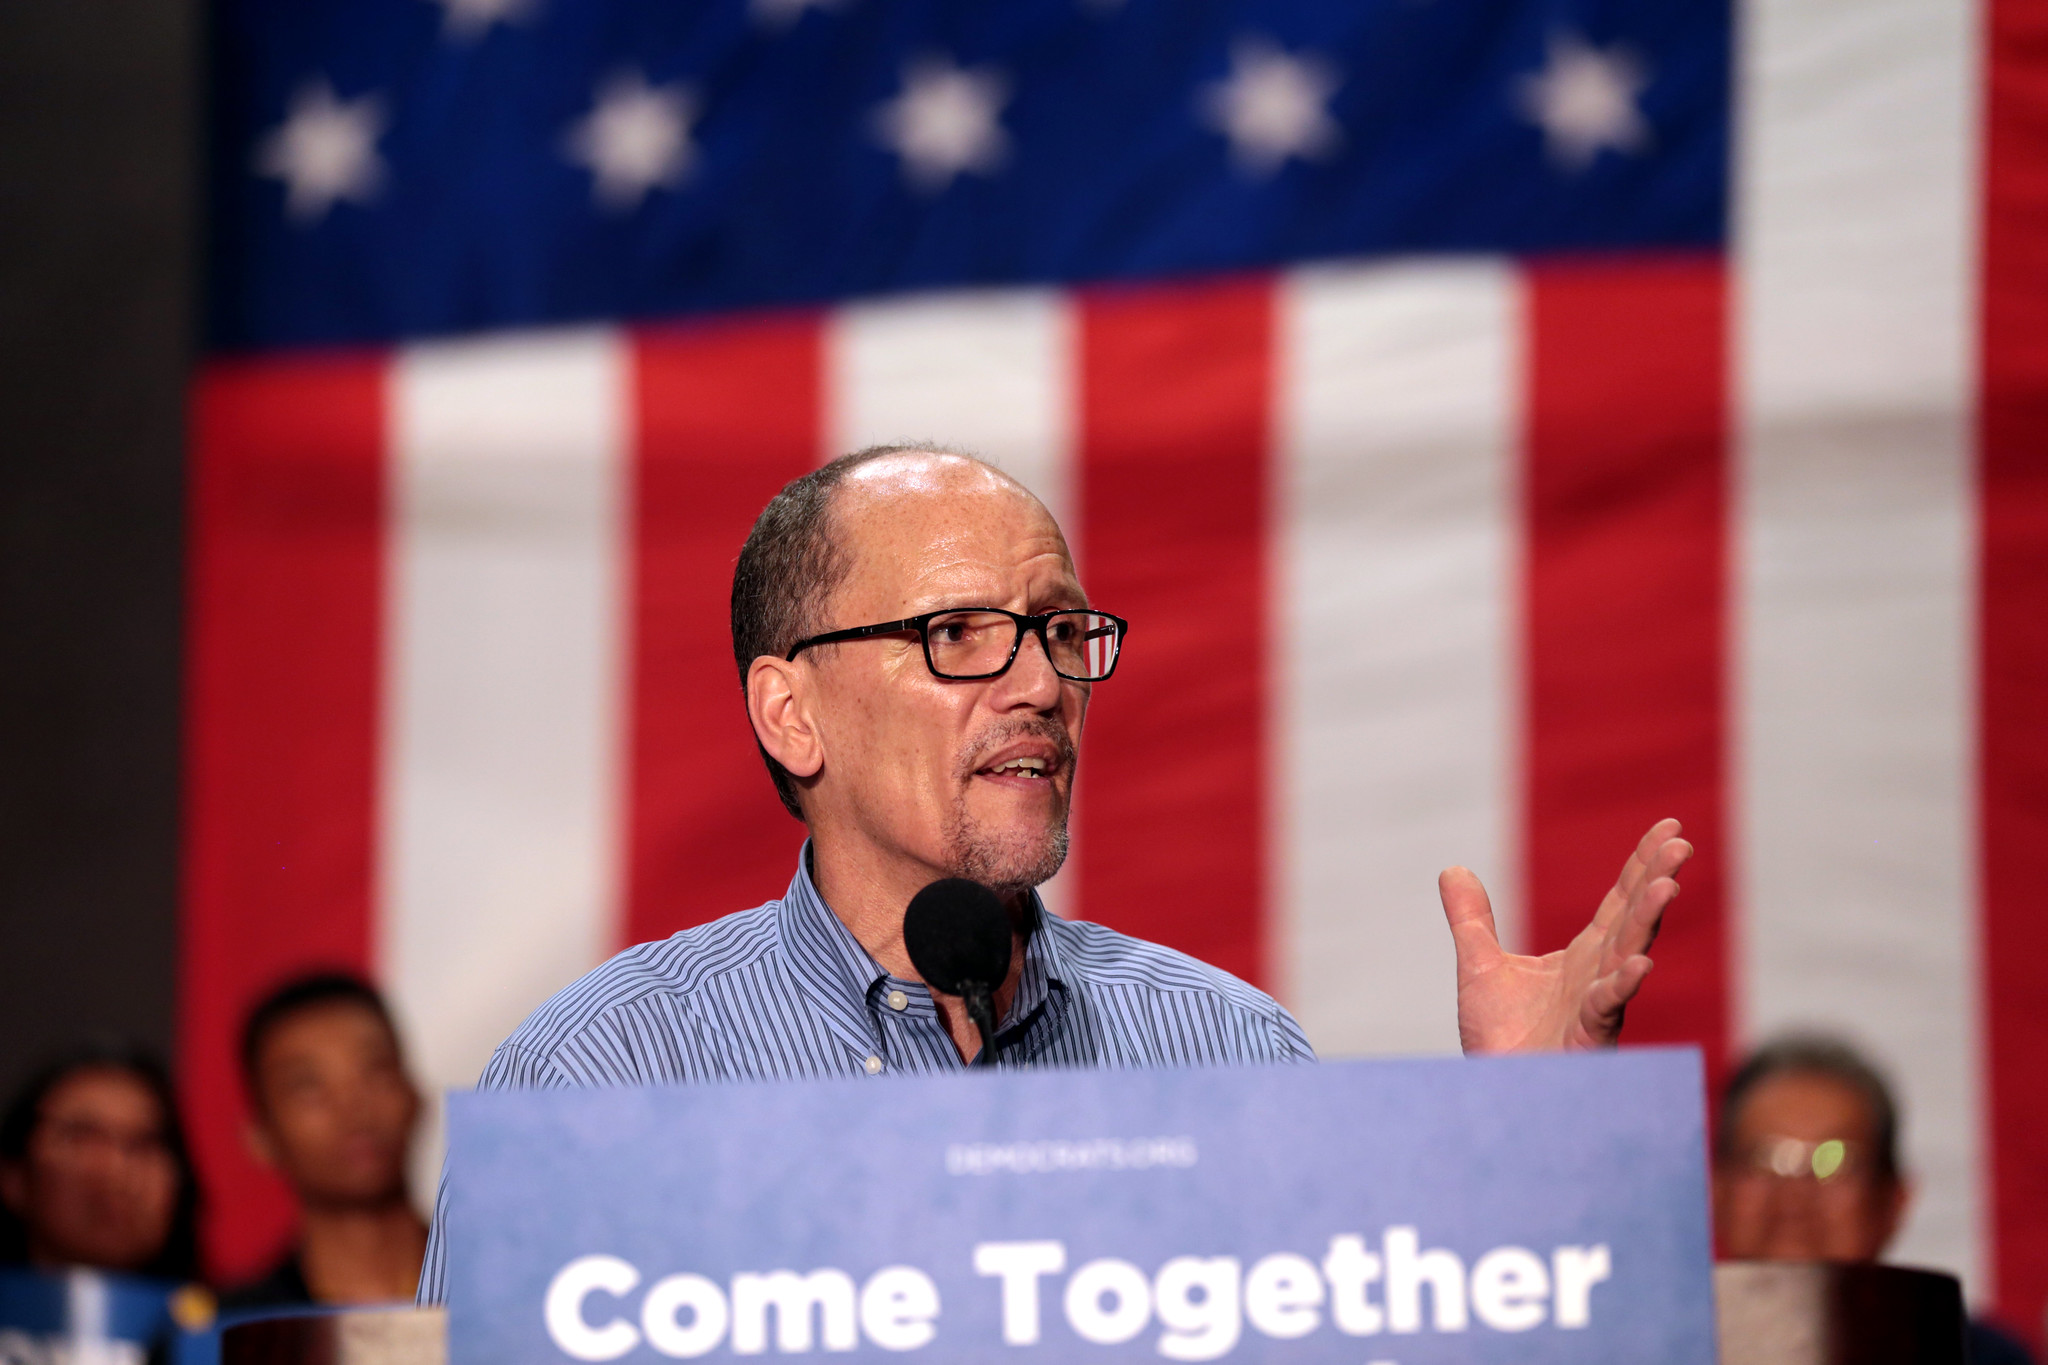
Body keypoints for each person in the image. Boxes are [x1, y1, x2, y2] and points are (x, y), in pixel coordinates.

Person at [420, 444, 1692, 1299]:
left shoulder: (1228, 1056)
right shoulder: (596, 1083)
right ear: (788, 712)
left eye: (1059, 631)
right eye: (958, 634)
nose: (1039, 686)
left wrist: (1538, 1152)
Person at [1714, 1035, 2036, 1365]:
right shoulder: (1666, 1346)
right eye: (1765, 1158)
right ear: (1716, 1190)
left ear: (1893, 1201)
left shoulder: (1979, 1357)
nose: (1796, 1194)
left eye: (1835, 1160)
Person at [221, 974, 428, 1309]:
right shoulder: (236, 1334)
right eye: (307, 1086)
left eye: (375, 1069)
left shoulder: (524, 1294)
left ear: (416, 1096)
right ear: (261, 1139)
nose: (353, 1108)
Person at [0, 1042, 203, 1283]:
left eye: (144, 1144)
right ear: (14, 1178)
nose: (116, 1170)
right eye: (82, 1137)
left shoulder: (231, 1318)